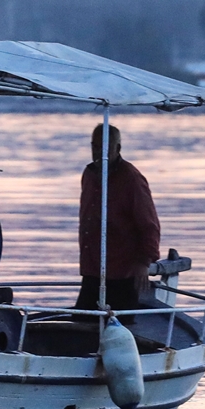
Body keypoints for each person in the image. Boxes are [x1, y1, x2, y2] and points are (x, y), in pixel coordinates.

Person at [76, 124, 160, 311]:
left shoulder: (131, 178)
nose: (98, 153)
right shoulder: (89, 175)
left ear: (117, 149)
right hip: (93, 268)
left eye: (104, 148)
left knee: (119, 325)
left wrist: (144, 261)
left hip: (122, 272)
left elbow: (149, 225)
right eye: (95, 147)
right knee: (82, 323)